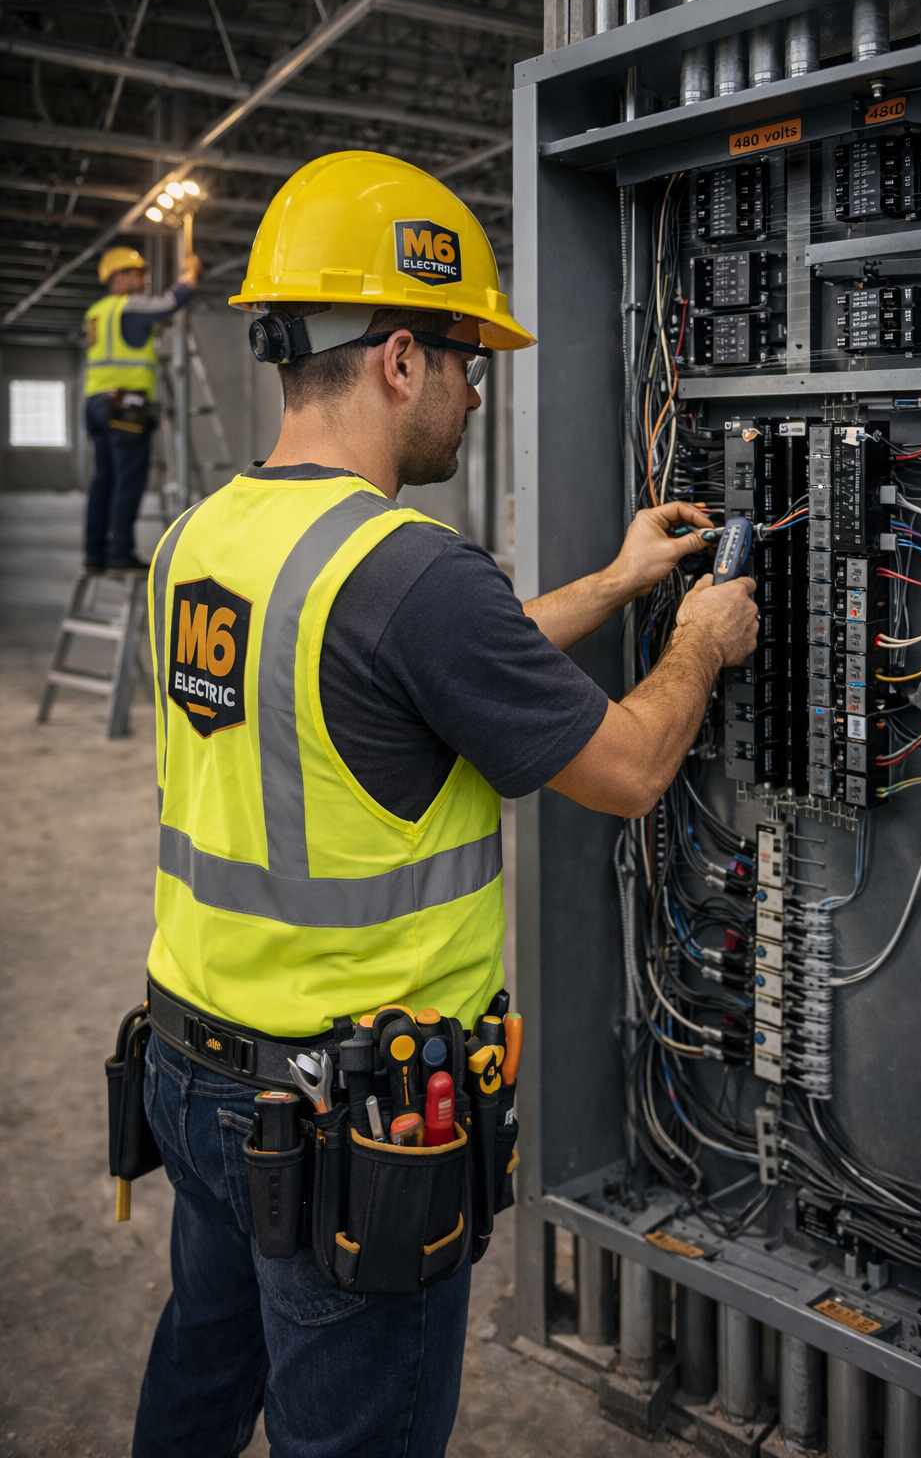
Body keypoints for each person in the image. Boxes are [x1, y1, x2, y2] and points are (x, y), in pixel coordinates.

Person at [133, 152, 758, 1458]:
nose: (481, 389)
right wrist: (700, 641)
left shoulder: (200, 538)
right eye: (471, 357)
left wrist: (610, 581)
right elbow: (632, 771)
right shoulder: (413, 570)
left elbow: (406, 683)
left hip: (192, 1074)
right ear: (399, 357)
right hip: (342, 1122)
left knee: (198, 1383)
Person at [83, 246, 202, 575]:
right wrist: (190, 272)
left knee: (103, 480)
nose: (143, 278)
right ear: (118, 277)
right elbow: (170, 301)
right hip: (125, 405)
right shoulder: (130, 306)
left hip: (95, 402)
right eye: (136, 273)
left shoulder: (96, 312)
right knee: (129, 480)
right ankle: (120, 555)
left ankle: (95, 555)